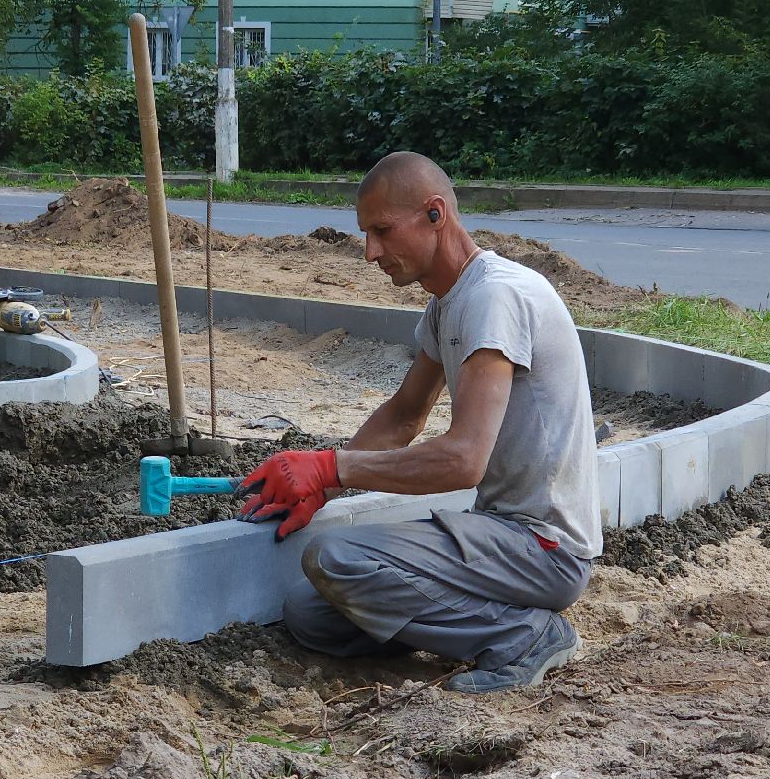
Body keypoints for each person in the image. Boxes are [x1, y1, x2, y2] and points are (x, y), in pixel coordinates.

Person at [237, 151, 601, 693]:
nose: (370, 252)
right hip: (500, 538)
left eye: (382, 231)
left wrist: (328, 467)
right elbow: (404, 417)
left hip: (542, 548)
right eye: (366, 234)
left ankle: (522, 634)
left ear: (436, 214)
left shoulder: (495, 297)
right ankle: (476, 622)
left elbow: (463, 460)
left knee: (335, 558)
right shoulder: (447, 305)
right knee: (310, 614)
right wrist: (323, 488)